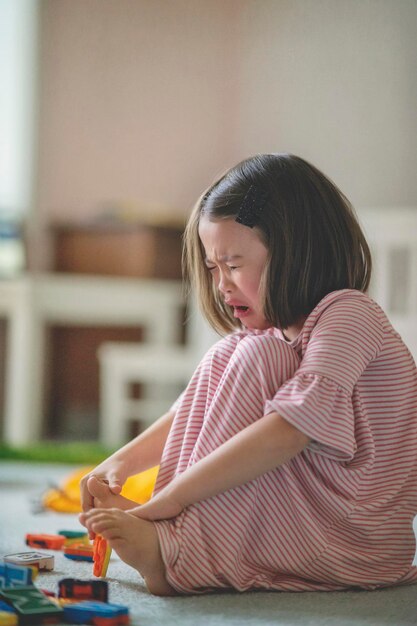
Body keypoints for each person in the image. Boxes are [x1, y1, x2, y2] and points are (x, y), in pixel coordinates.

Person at [79, 153, 417, 596]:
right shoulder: (277, 335)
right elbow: (192, 413)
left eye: (234, 265)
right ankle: (174, 540)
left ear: (296, 254)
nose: (221, 285)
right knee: (236, 349)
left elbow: (289, 433)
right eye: (213, 268)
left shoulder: (351, 315)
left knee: (255, 352)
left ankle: (175, 542)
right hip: (310, 517)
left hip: (358, 539)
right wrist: (120, 461)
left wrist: (171, 500)